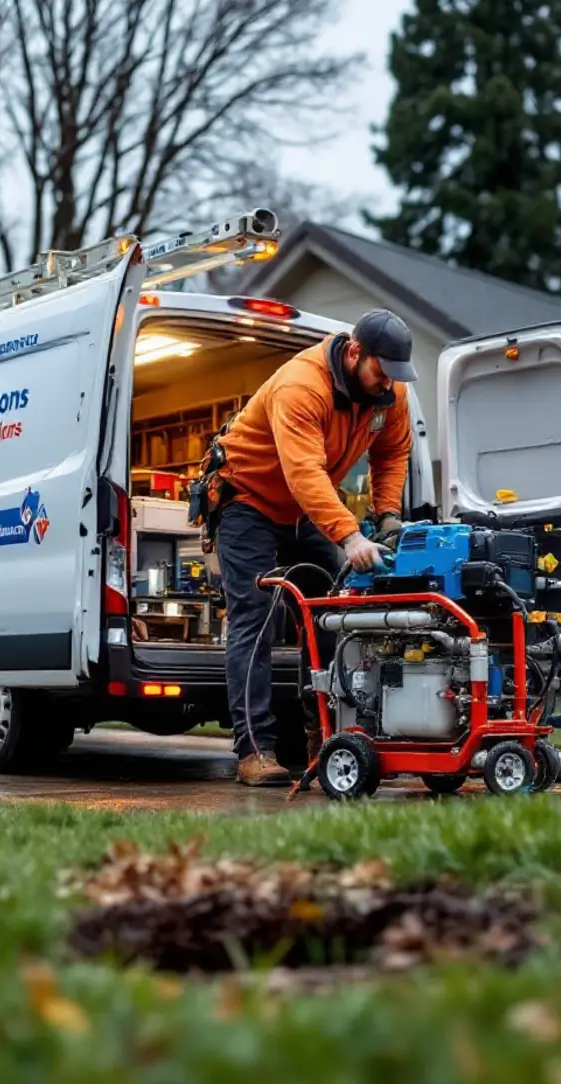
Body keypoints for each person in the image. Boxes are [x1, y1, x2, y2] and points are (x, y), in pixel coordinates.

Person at [207, 308, 417, 787]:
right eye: (380, 372)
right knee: (255, 620)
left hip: (306, 511)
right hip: (249, 503)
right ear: (355, 352)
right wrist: (349, 536)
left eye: (395, 376)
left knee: (332, 621)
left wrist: (387, 516)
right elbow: (303, 473)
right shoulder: (302, 386)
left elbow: (392, 452)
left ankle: (326, 742)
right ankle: (254, 752)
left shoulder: (391, 392)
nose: (387, 384)